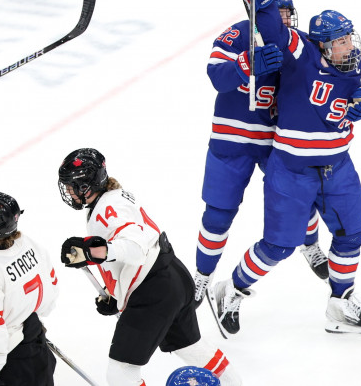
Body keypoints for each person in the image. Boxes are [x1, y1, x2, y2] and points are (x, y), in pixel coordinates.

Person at [212, 0, 361, 336]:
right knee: (278, 246)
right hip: (291, 171)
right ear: (322, 45)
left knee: (353, 231)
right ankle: (232, 288)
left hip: (338, 166)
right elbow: (271, 24)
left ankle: (340, 303)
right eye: (339, 41)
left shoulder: (351, 63)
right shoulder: (299, 53)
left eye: (349, 38)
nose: (348, 46)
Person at [57, 148, 242, 386]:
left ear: (87, 185)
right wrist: (117, 293)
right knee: (193, 348)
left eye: (72, 185)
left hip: (154, 292)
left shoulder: (107, 209)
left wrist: (93, 252)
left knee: (120, 372)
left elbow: (134, 249)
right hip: (172, 275)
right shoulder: (116, 196)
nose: (69, 191)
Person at [196, 0, 330, 306]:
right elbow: (217, 76)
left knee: (304, 194)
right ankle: (202, 276)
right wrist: (247, 64)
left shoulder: (296, 43)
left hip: (277, 140)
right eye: (275, 13)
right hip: (232, 140)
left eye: (286, 13)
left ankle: (309, 244)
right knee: (218, 213)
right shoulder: (237, 35)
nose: (282, 20)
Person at [0, 192, 58, 386]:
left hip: (12, 366)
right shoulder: (29, 244)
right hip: (39, 351)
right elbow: (52, 288)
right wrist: (30, 323)